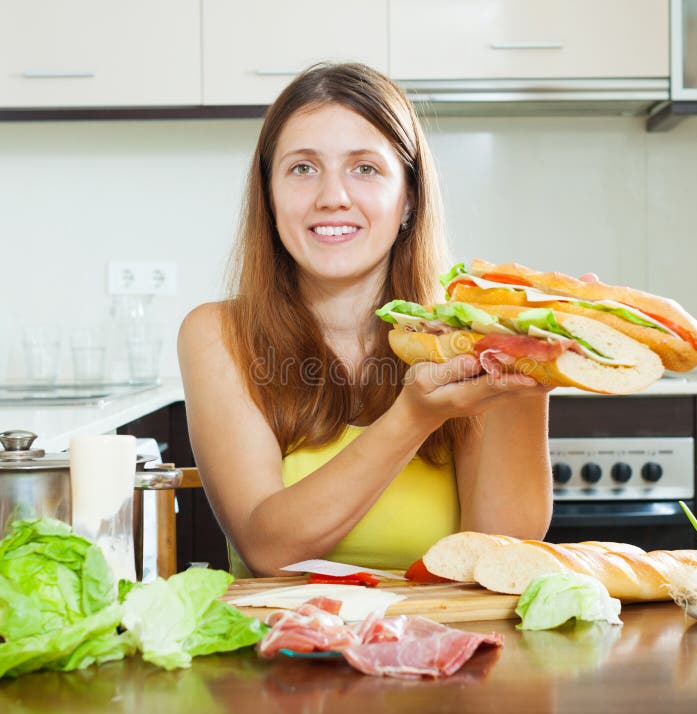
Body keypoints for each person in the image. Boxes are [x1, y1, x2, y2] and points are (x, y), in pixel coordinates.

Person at [178, 62, 553, 577]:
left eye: (366, 168)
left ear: (409, 199)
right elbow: (268, 548)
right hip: (281, 650)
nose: (333, 196)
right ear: (268, 195)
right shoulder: (216, 335)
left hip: (438, 644)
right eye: (303, 168)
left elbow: (501, 551)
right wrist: (414, 416)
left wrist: (527, 377)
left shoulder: (462, 339)